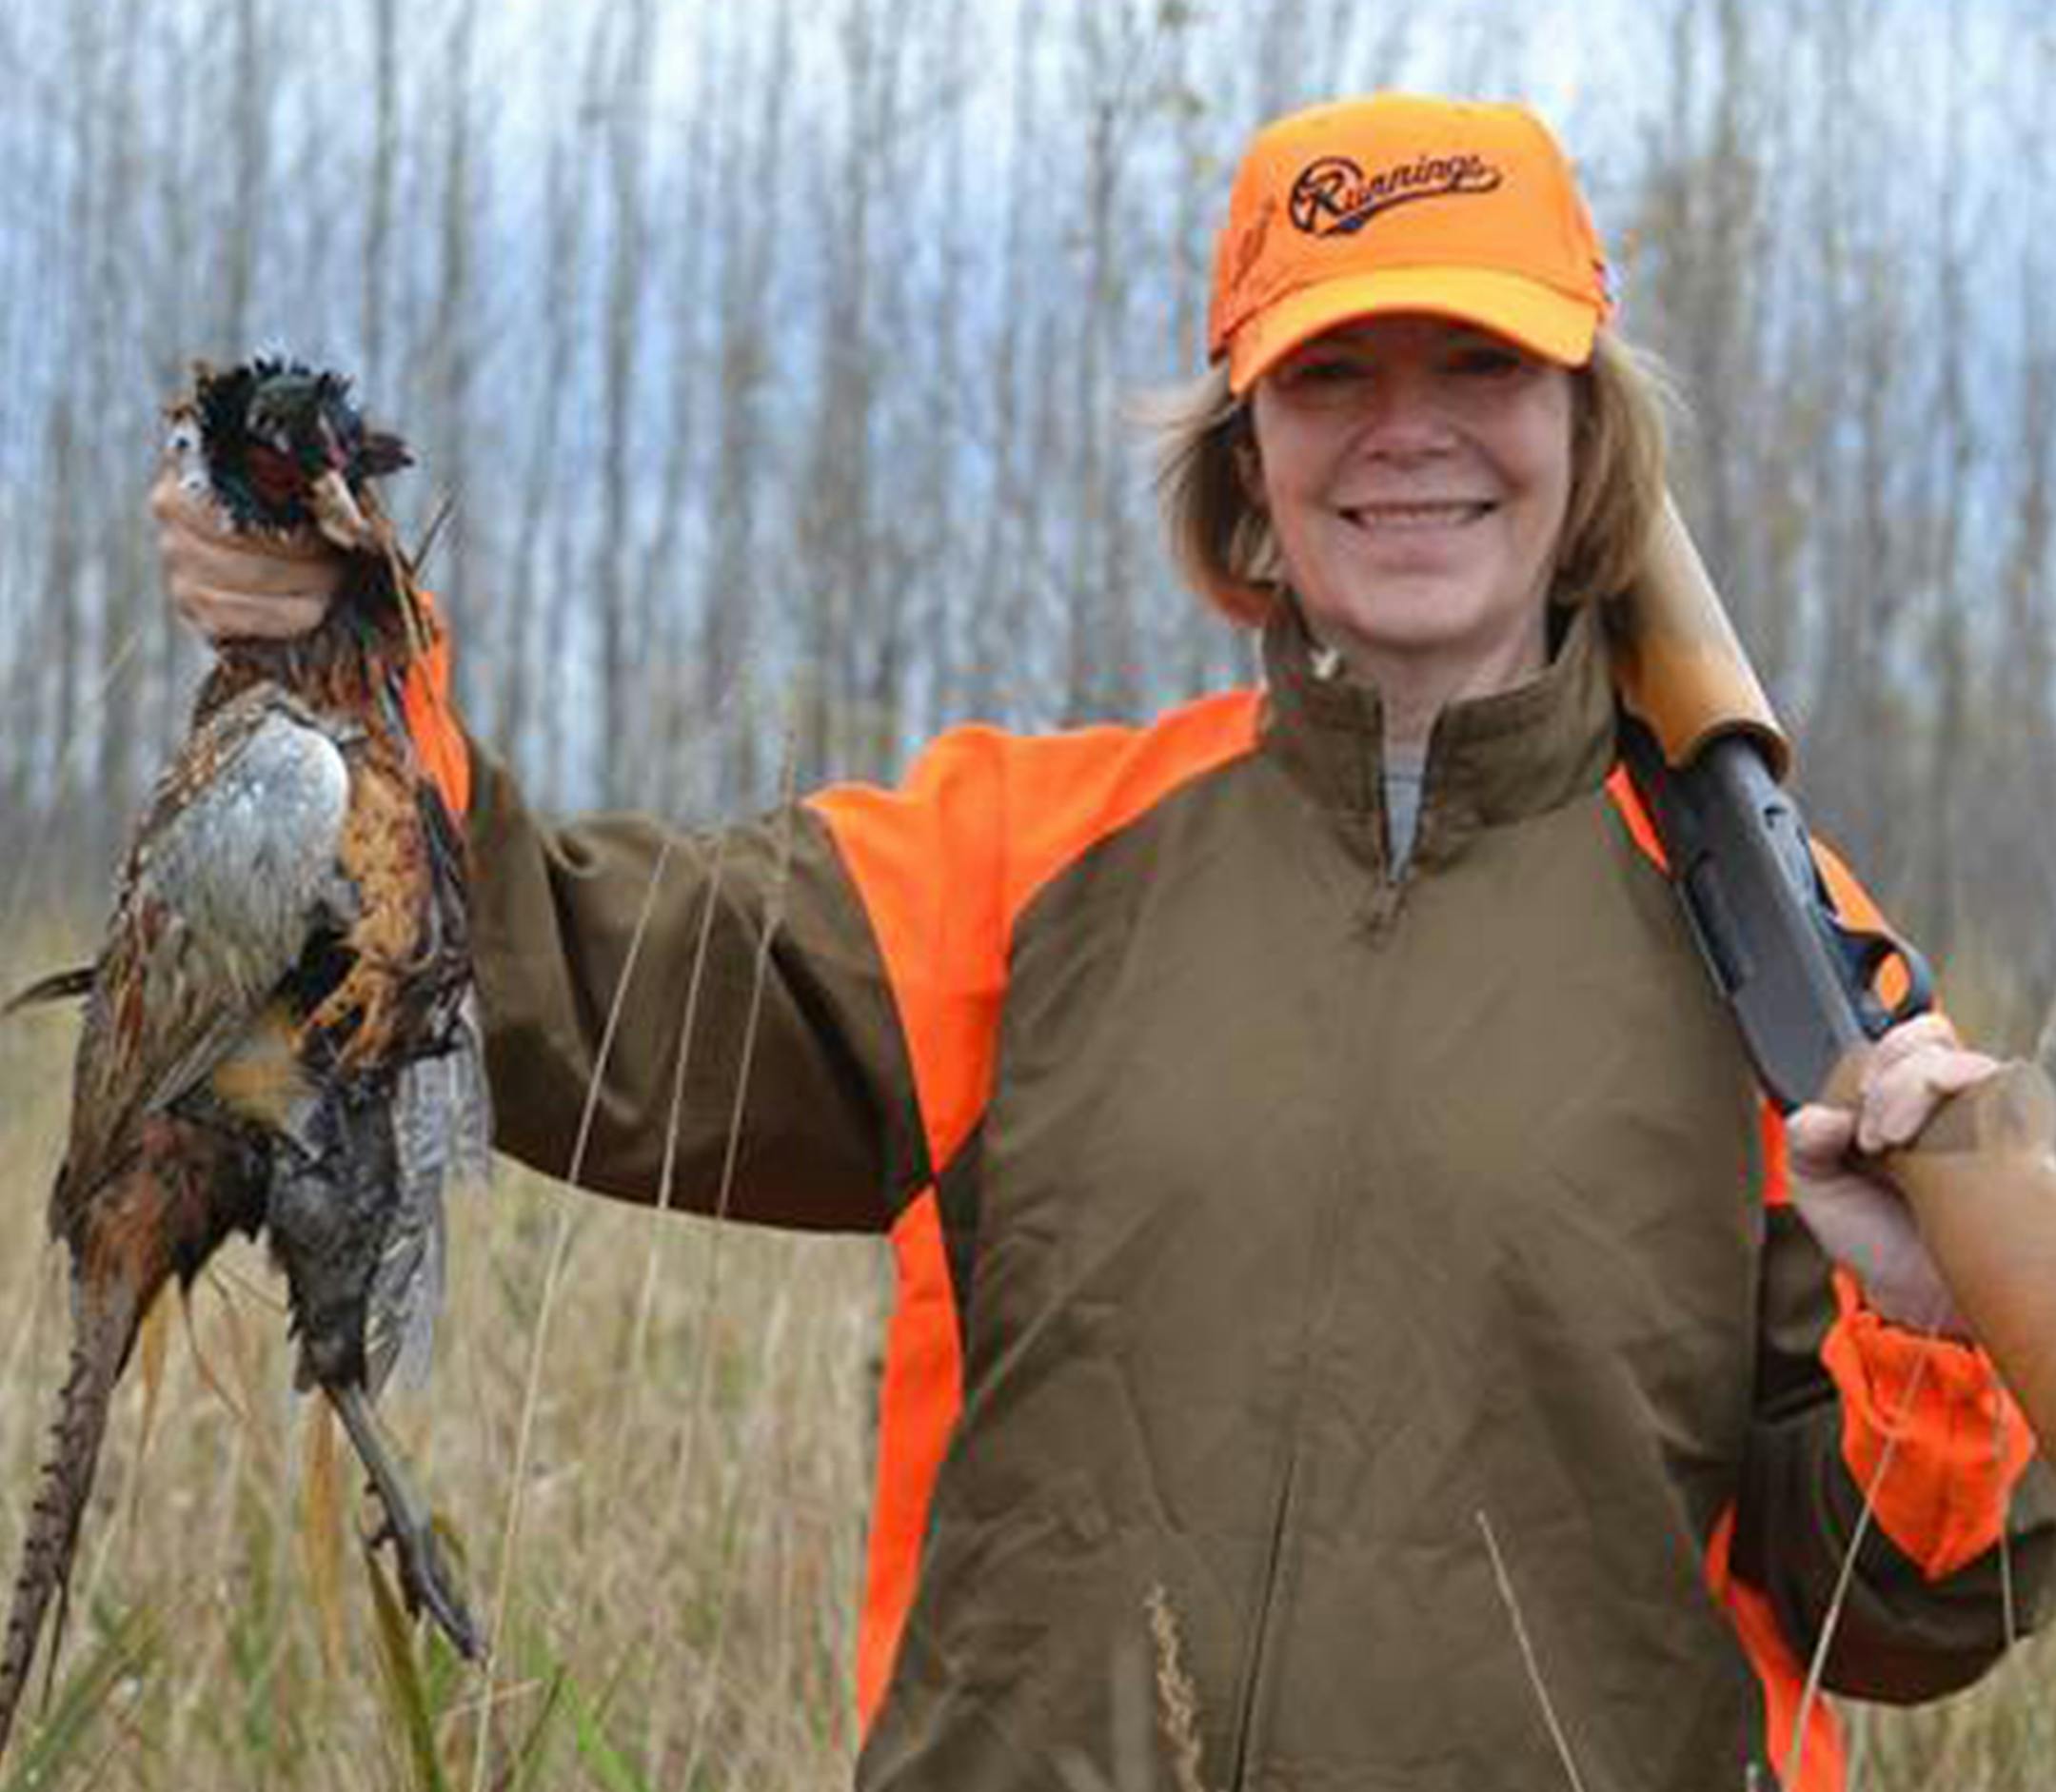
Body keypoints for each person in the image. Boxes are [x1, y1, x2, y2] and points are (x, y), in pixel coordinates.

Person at [155, 91, 2049, 1792]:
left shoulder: (1788, 967)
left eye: (1481, 360)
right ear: (1247, 452)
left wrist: (1929, 1321)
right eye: (1331, 372)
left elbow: (1898, 1614)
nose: (1408, 431)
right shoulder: (1023, 863)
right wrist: (339, 660)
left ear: (1585, 429)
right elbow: (562, 967)